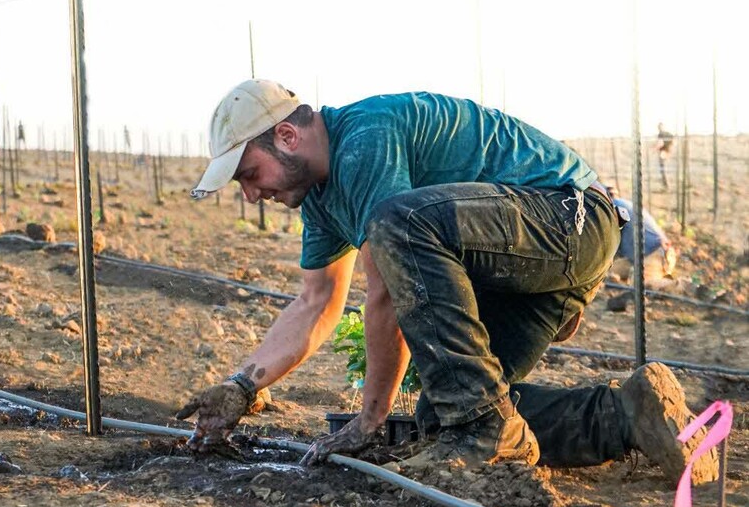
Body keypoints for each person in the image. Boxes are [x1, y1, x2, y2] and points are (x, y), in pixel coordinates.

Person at [176, 79, 718, 485]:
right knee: (444, 418)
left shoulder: (364, 139)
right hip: (520, 259)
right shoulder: (319, 201)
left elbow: (386, 289)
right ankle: (631, 416)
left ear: (287, 136)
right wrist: (242, 386)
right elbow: (316, 302)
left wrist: (370, 419)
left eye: (250, 174)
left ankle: (486, 429)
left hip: (566, 219)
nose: (251, 195)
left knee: (398, 224)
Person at [606, 186, 678, 283]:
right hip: (655, 254)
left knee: (644, 287)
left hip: (654, 254)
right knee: (606, 273)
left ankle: (680, 286)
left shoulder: (614, 208)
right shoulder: (626, 205)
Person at [656, 123, 674, 190]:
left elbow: (660, 143)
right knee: (664, 169)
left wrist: (654, 149)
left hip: (663, 152)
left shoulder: (661, 134)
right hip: (667, 152)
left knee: (662, 169)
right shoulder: (668, 134)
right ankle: (666, 185)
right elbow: (672, 141)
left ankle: (666, 185)